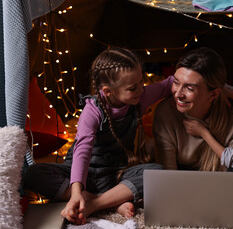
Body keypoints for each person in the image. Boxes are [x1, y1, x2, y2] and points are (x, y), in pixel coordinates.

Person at [23, 47, 174, 225]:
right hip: (81, 175)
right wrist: (77, 191)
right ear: (108, 91)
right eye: (133, 87)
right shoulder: (92, 109)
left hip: (116, 174)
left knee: (157, 173)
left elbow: (169, 84)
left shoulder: (139, 97)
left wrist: (185, 73)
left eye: (142, 81)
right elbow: (82, 152)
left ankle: (95, 204)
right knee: (33, 173)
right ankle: (110, 202)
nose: (141, 89)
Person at [152, 47, 233, 172]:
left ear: (213, 94)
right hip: (178, 183)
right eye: (176, 82)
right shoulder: (165, 113)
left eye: (190, 88)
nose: (178, 94)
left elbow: (227, 173)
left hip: (219, 183)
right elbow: (167, 174)